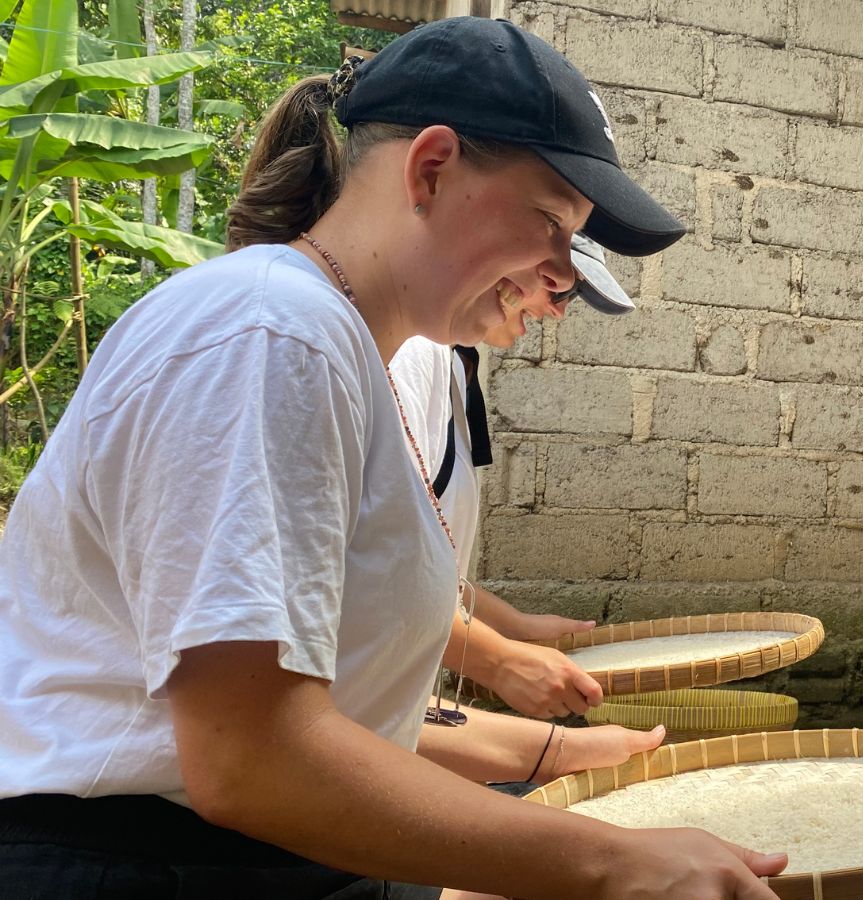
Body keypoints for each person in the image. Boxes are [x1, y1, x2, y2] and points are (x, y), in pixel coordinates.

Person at [0, 17, 785, 900]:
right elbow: (245, 757)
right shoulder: (267, 331)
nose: (563, 276)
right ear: (432, 167)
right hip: (144, 863)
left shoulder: (343, 350)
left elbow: (340, 717)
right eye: (554, 224)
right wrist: (609, 861)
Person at [386, 234, 633, 721]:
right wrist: (498, 662)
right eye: (559, 289)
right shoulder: (414, 355)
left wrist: (514, 627)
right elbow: (385, 572)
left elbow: (433, 569)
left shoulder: (456, 364)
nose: (558, 312)